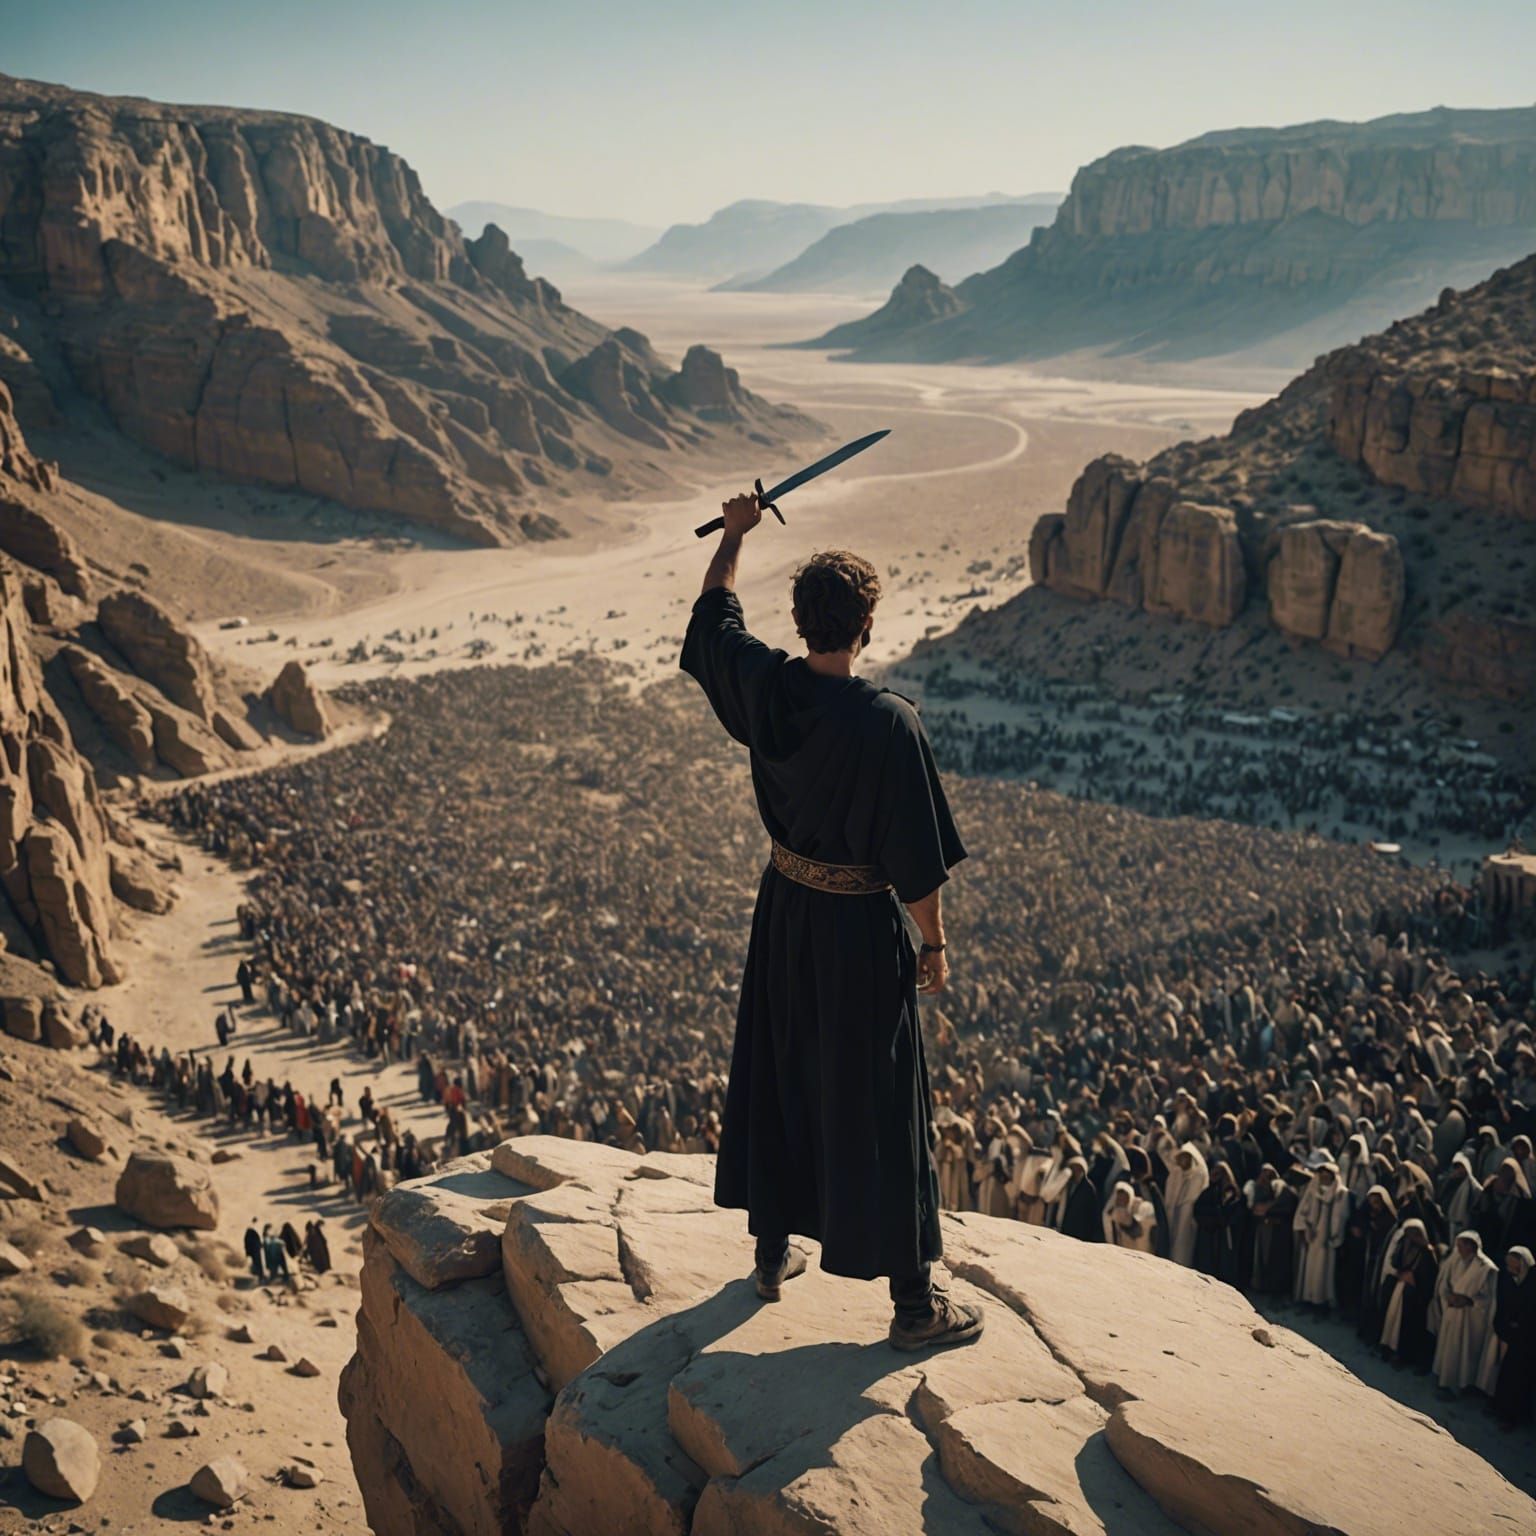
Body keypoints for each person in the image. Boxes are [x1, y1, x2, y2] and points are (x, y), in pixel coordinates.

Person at [680, 494, 979, 1352]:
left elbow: (713, 615)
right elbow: (916, 864)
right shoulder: (889, 725)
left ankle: (771, 1255)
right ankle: (916, 1306)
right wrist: (933, 942)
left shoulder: (770, 691)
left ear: (803, 621)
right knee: (879, 1099)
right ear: (867, 627)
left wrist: (734, 535)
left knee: (782, 1069)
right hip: (854, 929)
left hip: (784, 913)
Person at [1432, 1230, 1498, 1392]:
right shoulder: (1455, 1261)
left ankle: (1462, 1385)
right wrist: (1448, 1296)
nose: (1459, 1249)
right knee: (1449, 1349)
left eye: (1462, 1245)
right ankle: (1445, 1381)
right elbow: (1444, 1283)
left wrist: (1469, 1301)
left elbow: (1490, 1298)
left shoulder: (1487, 1268)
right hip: (1453, 1311)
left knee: (1464, 1353)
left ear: (1472, 1246)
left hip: (1470, 1317)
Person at [1489, 1246, 1535, 1426]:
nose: (1511, 1271)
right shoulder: (1510, 1279)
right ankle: (1500, 1407)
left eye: (1515, 1268)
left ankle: (1510, 1416)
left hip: (1527, 1341)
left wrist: (1519, 1324)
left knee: (1519, 1379)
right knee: (1506, 1373)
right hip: (1513, 1336)